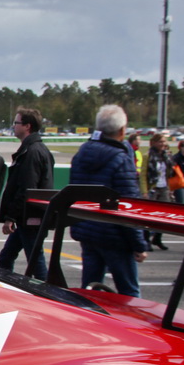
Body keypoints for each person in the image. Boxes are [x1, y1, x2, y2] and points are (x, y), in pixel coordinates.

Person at [68, 104, 148, 297]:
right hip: (114, 235)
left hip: (87, 229)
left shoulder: (82, 153)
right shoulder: (121, 158)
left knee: (89, 291)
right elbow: (127, 204)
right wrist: (138, 243)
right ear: (122, 130)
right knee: (129, 293)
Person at [0, 107, 54, 280]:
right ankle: (9, 287)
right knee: (6, 257)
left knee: (35, 262)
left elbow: (26, 189)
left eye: (16, 123)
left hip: (29, 218)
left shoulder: (32, 152)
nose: (13, 126)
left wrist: (11, 217)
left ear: (27, 126)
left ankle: (48, 293)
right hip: (28, 217)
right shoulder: (34, 149)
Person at [144, 132, 172, 249]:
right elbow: (143, 175)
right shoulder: (148, 156)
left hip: (164, 187)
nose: (163, 144)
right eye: (160, 141)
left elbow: (168, 173)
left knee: (164, 215)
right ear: (154, 143)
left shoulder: (166, 156)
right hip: (153, 188)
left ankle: (157, 238)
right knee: (148, 216)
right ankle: (146, 240)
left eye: (164, 141)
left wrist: (170, 189)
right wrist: (144, 191)